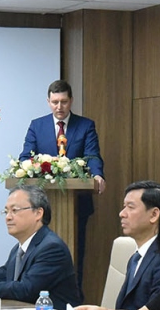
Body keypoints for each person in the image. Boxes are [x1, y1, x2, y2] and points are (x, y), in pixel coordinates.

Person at [0, 184, 82, 310]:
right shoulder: (19, 249)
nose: (8, 217)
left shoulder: (52, 248)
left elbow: (25, 290)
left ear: (38, 213)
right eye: (6, 211)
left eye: (14, 210)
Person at [21, 80, 104, 282]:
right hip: (42, 203)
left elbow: (92, 156)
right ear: (48, 102)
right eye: (55, 102)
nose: (59, 107)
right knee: (39, 255)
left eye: (64, 102)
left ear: (71, 101)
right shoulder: (37, 126)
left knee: (76, 255)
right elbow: (25, 157)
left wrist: (97, 174)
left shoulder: (85, 125)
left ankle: (73, 296)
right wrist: (29, 169)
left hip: (76, 203)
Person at [114, 180, 160, 310]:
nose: (122, 213)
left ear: (154, 215)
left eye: (130, 207)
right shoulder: (135, 258)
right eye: (124, 206)